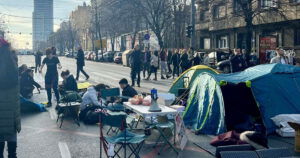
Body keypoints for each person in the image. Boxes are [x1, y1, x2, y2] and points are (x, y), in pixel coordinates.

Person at [0, 39, 21, 158]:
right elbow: (16, 99)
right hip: (11, 118)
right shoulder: (13, 69)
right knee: (12, 153)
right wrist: (17, 122)